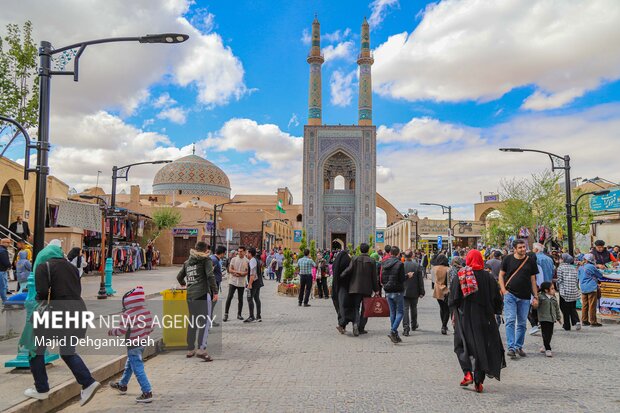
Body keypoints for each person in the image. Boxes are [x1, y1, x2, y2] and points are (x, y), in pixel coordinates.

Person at [25, 241, 100, 404]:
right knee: (67, 351)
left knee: (35, 350)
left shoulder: (43, 267)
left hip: (55, 313)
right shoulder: (72, 268)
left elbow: (43, 293)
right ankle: (88, 383)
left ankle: (41, 389)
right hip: (78, 311)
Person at [449, 249, 505, 394]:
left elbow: (454, 298)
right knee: (481, 346)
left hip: (465, 317)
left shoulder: (462, 275)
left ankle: (467, 372)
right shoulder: (488, 277)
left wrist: (453, 313)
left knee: (461, 344)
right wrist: (497, 311)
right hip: (485, 317)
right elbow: (497, 298)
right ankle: (479, 382)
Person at [108, 286, 154, 403]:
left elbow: (121, 331)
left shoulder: (127, 314)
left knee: (137, 368)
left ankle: (147, 391)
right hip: (142, 343)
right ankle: (123, 385)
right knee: (130, 365)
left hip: (133, 345)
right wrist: (144, 334)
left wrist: (111, 331)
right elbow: (152, 326)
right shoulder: (146, 311)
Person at [176, 241, 217, 361]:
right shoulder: (206, 260)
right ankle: (201, 349)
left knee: (192, 321)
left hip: (190, 295)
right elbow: (210, 275)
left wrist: (185, 285)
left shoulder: (187, 262)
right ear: (205, 250)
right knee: (205, 322)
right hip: (202, 294)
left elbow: (179, 277)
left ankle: (190, 349)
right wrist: (215, 291)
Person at [498, 239, 539, 359]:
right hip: (510, 294)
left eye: (524, 247)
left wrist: (535, 296)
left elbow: (533, 280)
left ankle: (518, 346)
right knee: (510, 320)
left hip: (525, 296)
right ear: (514, 249)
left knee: (521, 323)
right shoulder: (507, 259)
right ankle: (511, 347)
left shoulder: (530, 261)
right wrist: (503, 290)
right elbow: (501, 275)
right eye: (520, 247)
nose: (522, 249)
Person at [341, 243, 380, 336]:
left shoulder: (355, 259)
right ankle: (361, 328)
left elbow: (348, 270)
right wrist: (376, 289)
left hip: (355, 288)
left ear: (360, 250)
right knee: (365, 308)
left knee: (356, 307)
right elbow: (374, 277)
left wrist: (341, 276)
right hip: (367, 288)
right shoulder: (372, 261)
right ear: (368, 250)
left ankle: (355, 323)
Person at [381, 246, 406, 344]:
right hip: (397, 290)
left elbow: (382, 277)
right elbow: (401, 279)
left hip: (388, 290)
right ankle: (393, 330)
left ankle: (395, 334)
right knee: (400, 312)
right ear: (398, 253)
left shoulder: (384, 262)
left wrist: (385, 285)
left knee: (392, 313)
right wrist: (408, 276)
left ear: (390, 253)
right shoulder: (400, 264)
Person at [556, 253, 581, 331]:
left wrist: (556, 285)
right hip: (574, 291)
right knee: (572, 307)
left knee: (564, 308)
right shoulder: (573, 268)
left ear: (563, 259)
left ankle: (567, 325)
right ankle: (576, 321)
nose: (559, 260)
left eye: (560, 258)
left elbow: (559, 280)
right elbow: (576, 279)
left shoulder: (561, 268)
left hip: (564, 291)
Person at [402, 249, 425, 336]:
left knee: (405, 309)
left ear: (404, 256)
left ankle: (406, 328)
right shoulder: (416, 266)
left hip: (404, 291)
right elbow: (420, 280)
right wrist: (422, 291)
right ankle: (414, 324)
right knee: (414, 308)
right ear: (412, 256)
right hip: (415, 291)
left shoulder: (402, 265)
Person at [224, 246, 249, 322]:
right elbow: (230, 269)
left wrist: (240, 274)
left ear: (245, 252)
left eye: (241, 251)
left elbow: (247, 272)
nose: (239, 253)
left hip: (241, 282)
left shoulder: (247, 261)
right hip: (233, 281)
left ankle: (239, 314)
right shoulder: (234, 259)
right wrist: (236, 273)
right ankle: (226, 314)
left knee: (240, 299)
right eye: (238, 251)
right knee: (229, 297)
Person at [536, 281, 561, 357]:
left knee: (550, 333)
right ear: (546, 290)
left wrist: (558, 318)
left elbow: (557, 308)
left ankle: (545, 345)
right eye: (552, 289)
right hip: (543, 319)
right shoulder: (540, 297)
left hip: (551, 318)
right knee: (545, 334)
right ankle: (548, 348)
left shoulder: (553, 298)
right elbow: (536, 306)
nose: (554, 290)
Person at [578, 253, 603, 327]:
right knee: (592, 305)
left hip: (583, 287)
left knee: (584, 305)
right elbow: (600, 275)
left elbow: (578, 277)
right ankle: (593, 321)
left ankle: (584, 320)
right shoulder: (592, 266)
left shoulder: (580, 267)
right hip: (591, 287)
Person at [332, 249, 352, 334]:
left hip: (337, 286)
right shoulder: (348, 261)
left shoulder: (336, 263)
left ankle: (342, 323)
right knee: (344, 306)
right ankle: (342, 324)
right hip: (347, 286)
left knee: (340, 306)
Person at [432, 254, 450, 335]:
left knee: (442, 308)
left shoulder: (434, 268)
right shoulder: (448, 269)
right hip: (445, 290)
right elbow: (449, 281)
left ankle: (443, 324)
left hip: (437, 290)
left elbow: (433, 280)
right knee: (447, 309)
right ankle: (444, 325)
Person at [244, 247, 263, 322]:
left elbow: (253, 273)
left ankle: (252, 316)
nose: (246, 254)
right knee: (256, 298)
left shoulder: (252, 261)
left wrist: (250, 284)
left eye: (247, 253)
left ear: (250, 253)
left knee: (249, 298)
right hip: (258, 282)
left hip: (253, 283)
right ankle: (258, 316)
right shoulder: (256, 260)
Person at [0, 238, 11, 305]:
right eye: (8, 242)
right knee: (3, 286)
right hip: (2, 270)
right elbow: (5, 261)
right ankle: (5, 300)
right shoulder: (3, 251)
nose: (9, 244)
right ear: (3, 242)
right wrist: (10, 266)